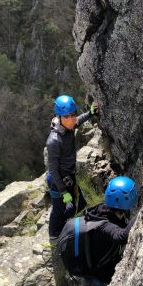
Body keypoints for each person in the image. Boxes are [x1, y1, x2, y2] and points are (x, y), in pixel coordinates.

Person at [46, 94, 98, 240]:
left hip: (69, 175)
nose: (71, 119)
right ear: (59, 117)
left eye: (73, 115)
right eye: (67, 116)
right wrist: (63, 191)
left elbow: (78, 121)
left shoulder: (68, 126)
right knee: (58, 209)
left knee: (80, 202)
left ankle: (65, 221)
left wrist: (90, 113)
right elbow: (53, 169)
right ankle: (54, 234)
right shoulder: (53, 141)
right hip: (58, 181)